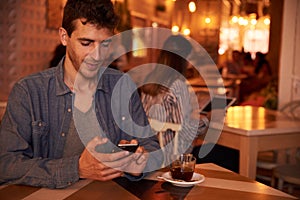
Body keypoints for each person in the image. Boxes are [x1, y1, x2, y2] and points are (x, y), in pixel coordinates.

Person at [0, 0, 161, 189]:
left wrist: (139, 163)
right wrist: (76, 168)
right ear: (64, 36)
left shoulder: (123, 86)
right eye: (86, 43)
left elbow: (152, 148)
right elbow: (6, 164)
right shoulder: (28, 91)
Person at [139, 35, 209, 166]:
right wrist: (206, 119)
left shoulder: (150, 79)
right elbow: (185, 130)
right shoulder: (178, 84)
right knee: (226, 153)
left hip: (149, 149)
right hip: (172, 154)